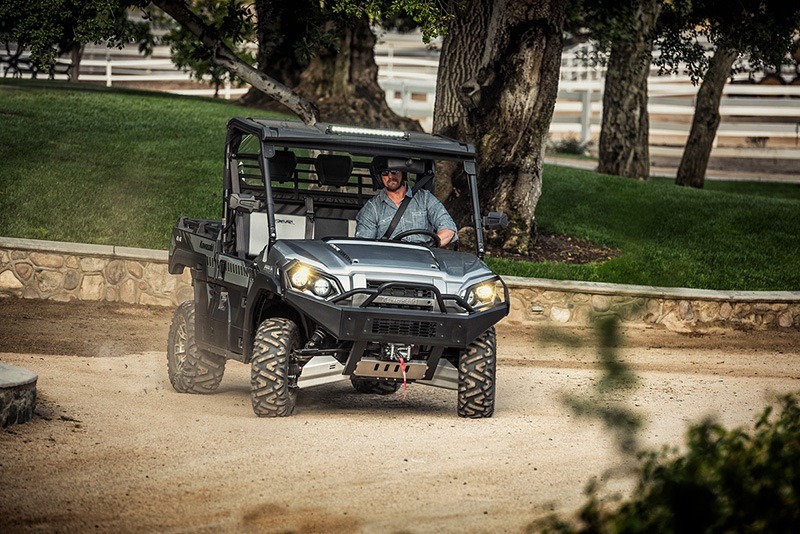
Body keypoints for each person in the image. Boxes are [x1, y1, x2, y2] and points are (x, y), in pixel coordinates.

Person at [355, 164, 457, 246]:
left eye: (394, 171)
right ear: (379, 177)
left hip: (423, 260)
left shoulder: (425, 198)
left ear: (403, 173)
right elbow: (364, 246)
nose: (390, 176)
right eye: (385, 173)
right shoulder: (371, 208)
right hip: (389, 263)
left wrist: (431, 245)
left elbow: (448, 228)